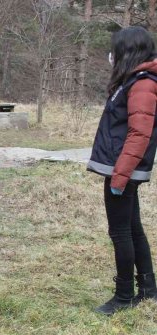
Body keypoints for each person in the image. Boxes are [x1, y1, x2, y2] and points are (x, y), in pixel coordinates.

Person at [88, 26, 157, 316]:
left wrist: (120, 175)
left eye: (116, 50)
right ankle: (149, 289)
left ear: (128, 51)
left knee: (120, 232)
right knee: (132, 228)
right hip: (122, 168)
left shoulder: (142, 83)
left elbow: (139, 134)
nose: (112, 56)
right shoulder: (134, 81)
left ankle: (125, 295)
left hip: (123, 170)